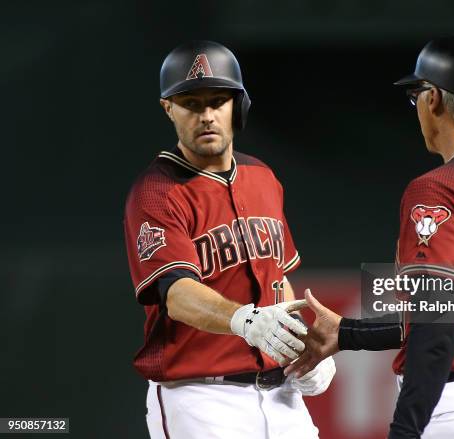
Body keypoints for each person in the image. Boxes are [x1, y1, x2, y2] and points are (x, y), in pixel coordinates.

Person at [286, 34, 454, 438]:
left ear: (434, 100)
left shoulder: (444, 187)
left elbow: (438, 326)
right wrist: (349, 333)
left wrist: (406, 430)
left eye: (417, 97)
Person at [123, 40, 335, 439]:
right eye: (191, 103)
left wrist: (305, 346)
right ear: (169, 109)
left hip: (282, 394)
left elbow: (278, 280)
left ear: (238, 105)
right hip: (201, 396)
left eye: (217, 101)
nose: (206, 115)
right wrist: (244, 319)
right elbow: (177, 293)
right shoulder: (156, 192)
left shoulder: (263, 178)